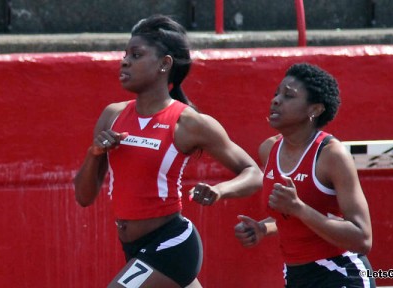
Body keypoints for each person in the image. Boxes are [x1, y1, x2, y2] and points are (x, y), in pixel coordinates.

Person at [74, 14, 263, 288]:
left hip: (172, 243)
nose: (124, 61)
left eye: (136, 55)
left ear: (164, 64)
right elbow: (83, 197)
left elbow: (253, 173)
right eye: (124, 54)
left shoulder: (187, 122)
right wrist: (95, 154)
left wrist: (220, 191)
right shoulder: (111, 116)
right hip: (134, 248)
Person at [234, 63, 375, 288]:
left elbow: (362, 238)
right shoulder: (269, 150)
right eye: (276, 93)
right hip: (295, 274)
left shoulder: (331, 155)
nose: (276, 100)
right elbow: (292, 218)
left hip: (340, 273)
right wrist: (263, 228)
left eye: (289, 96)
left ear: (315, 110)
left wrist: (299, 208)